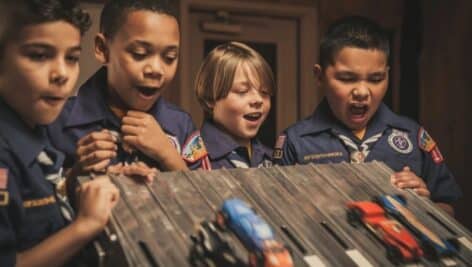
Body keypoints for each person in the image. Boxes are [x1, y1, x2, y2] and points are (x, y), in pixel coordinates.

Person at [273, 16, 461, 215]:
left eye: (376, 79)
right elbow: (276, 216)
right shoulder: (295, 142)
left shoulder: (413, 136)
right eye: (347, 78)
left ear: (387, 75)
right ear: (320, 76)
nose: (362, 92)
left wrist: (424, 206)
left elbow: (448, 208)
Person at [0, 1, 119, 266]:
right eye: (39, 55)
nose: (62, 74)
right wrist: (86, 225)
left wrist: (78, 174)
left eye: (72, 58)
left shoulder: (31, 123)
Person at [48, 0, 198, 173]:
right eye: (139, 54)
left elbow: (207, 197)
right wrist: (77, 174)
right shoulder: (57, 121)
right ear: (103, 49)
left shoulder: (181, 125)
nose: (156, 70)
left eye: (170, 57)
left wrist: (168, 156)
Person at [191, 42, 274, 169]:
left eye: (265, 92)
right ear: (210, 98)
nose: (258, 100)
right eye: (242, 91)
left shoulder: (273, 159)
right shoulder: (195, 159)